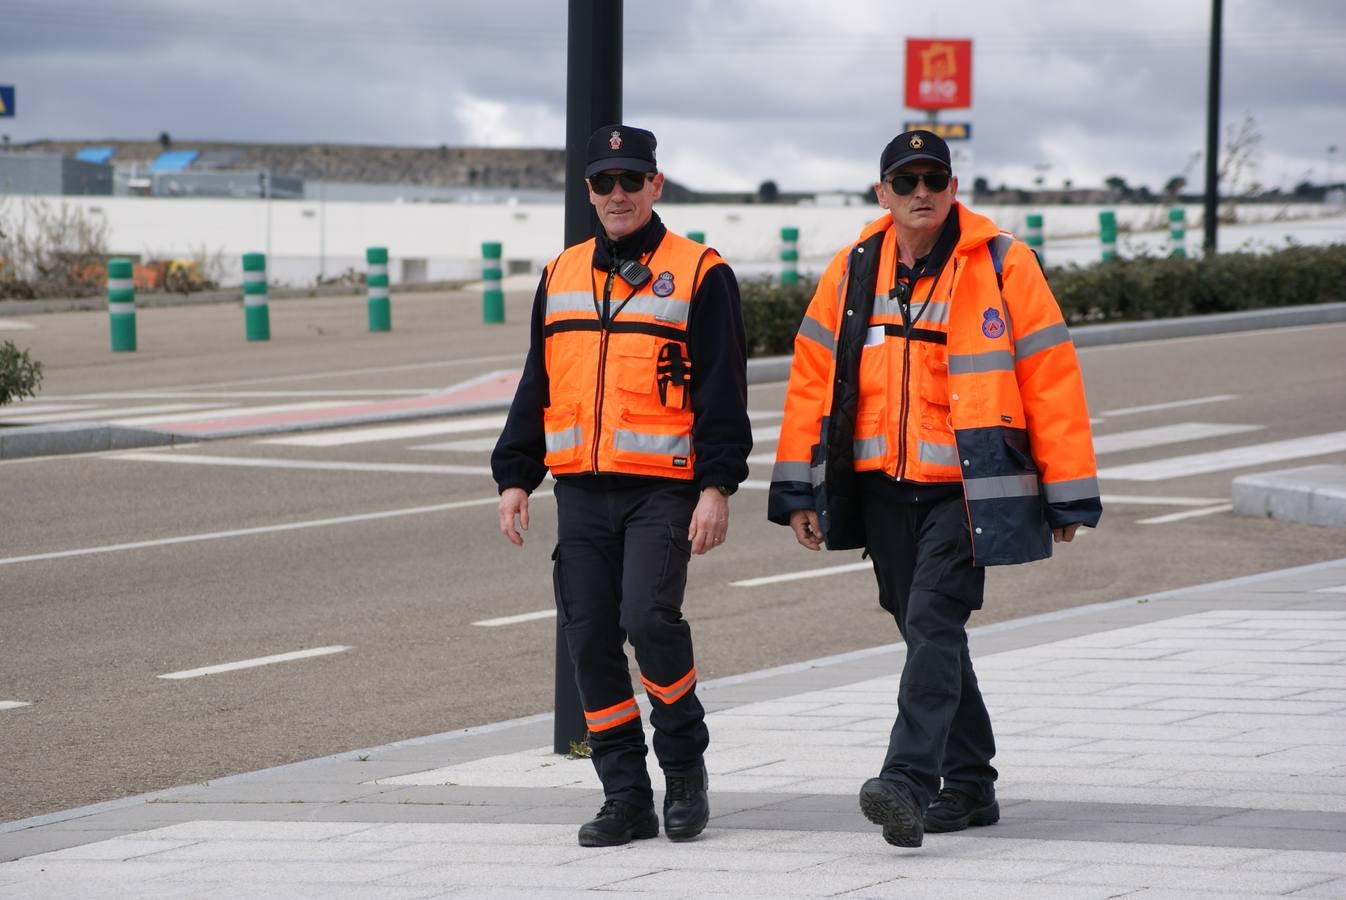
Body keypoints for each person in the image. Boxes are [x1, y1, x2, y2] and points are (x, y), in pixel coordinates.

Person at [767, 129, 1101, 849]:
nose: (922, 192)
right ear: (881, 192)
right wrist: (798, 487)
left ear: (953, 188)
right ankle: (973, 785)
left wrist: (1067, 491)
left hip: (967, 488)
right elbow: (812, 378)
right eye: (906, 180)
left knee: (933, 625)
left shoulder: (1005, 264)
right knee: (929, 633)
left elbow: (1050, 375)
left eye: (934, 179)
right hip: (882, 488)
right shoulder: (854, 268)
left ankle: (909, 781)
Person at [492, 124, 752, 848]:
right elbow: (537, 383)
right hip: (579, 491)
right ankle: (625, 797)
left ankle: (684, 766)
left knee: (647, 619)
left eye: (630, 181)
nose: (617, 194)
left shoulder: (701, 272)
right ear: (589, 192)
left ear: (655, 186)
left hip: (661, 490)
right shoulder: (561, 273)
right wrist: (516, 476)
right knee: (589, 640)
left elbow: (724, 392)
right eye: (604, 182)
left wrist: (717, 486)